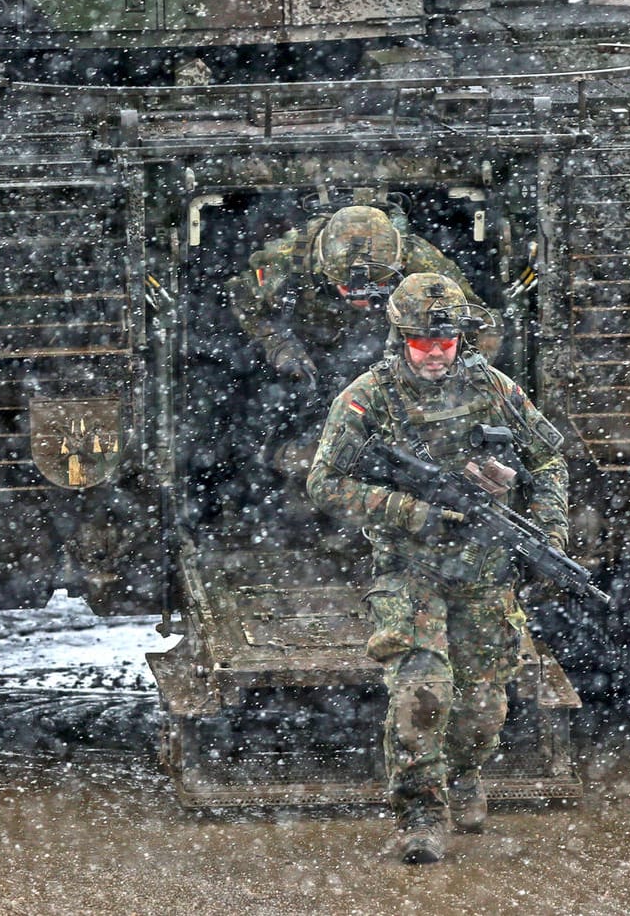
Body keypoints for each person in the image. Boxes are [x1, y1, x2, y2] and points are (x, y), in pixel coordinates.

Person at [307, 273, 568, 864]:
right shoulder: (366, 398)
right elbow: (324, 483)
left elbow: (549, 455)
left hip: (483, 570)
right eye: (423, 344)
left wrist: (548, 528)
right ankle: (420, 814)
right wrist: (415, 511)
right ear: (401, 338)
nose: (434, 354)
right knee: (422, 694)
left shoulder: (494, 388)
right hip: (409, 569)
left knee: (482, 708)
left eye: (445, 343)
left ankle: (465, 773)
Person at [226, 202, 497, 480]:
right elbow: (244, 297)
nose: (363, 299)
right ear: (325, 270)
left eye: (376, 287)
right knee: (299, 452)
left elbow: (482, 323)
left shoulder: (420, 262)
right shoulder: (287, 261)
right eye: (348, 288)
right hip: (316, 353)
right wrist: (280, 346)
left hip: (397, 352)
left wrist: (453, 376)